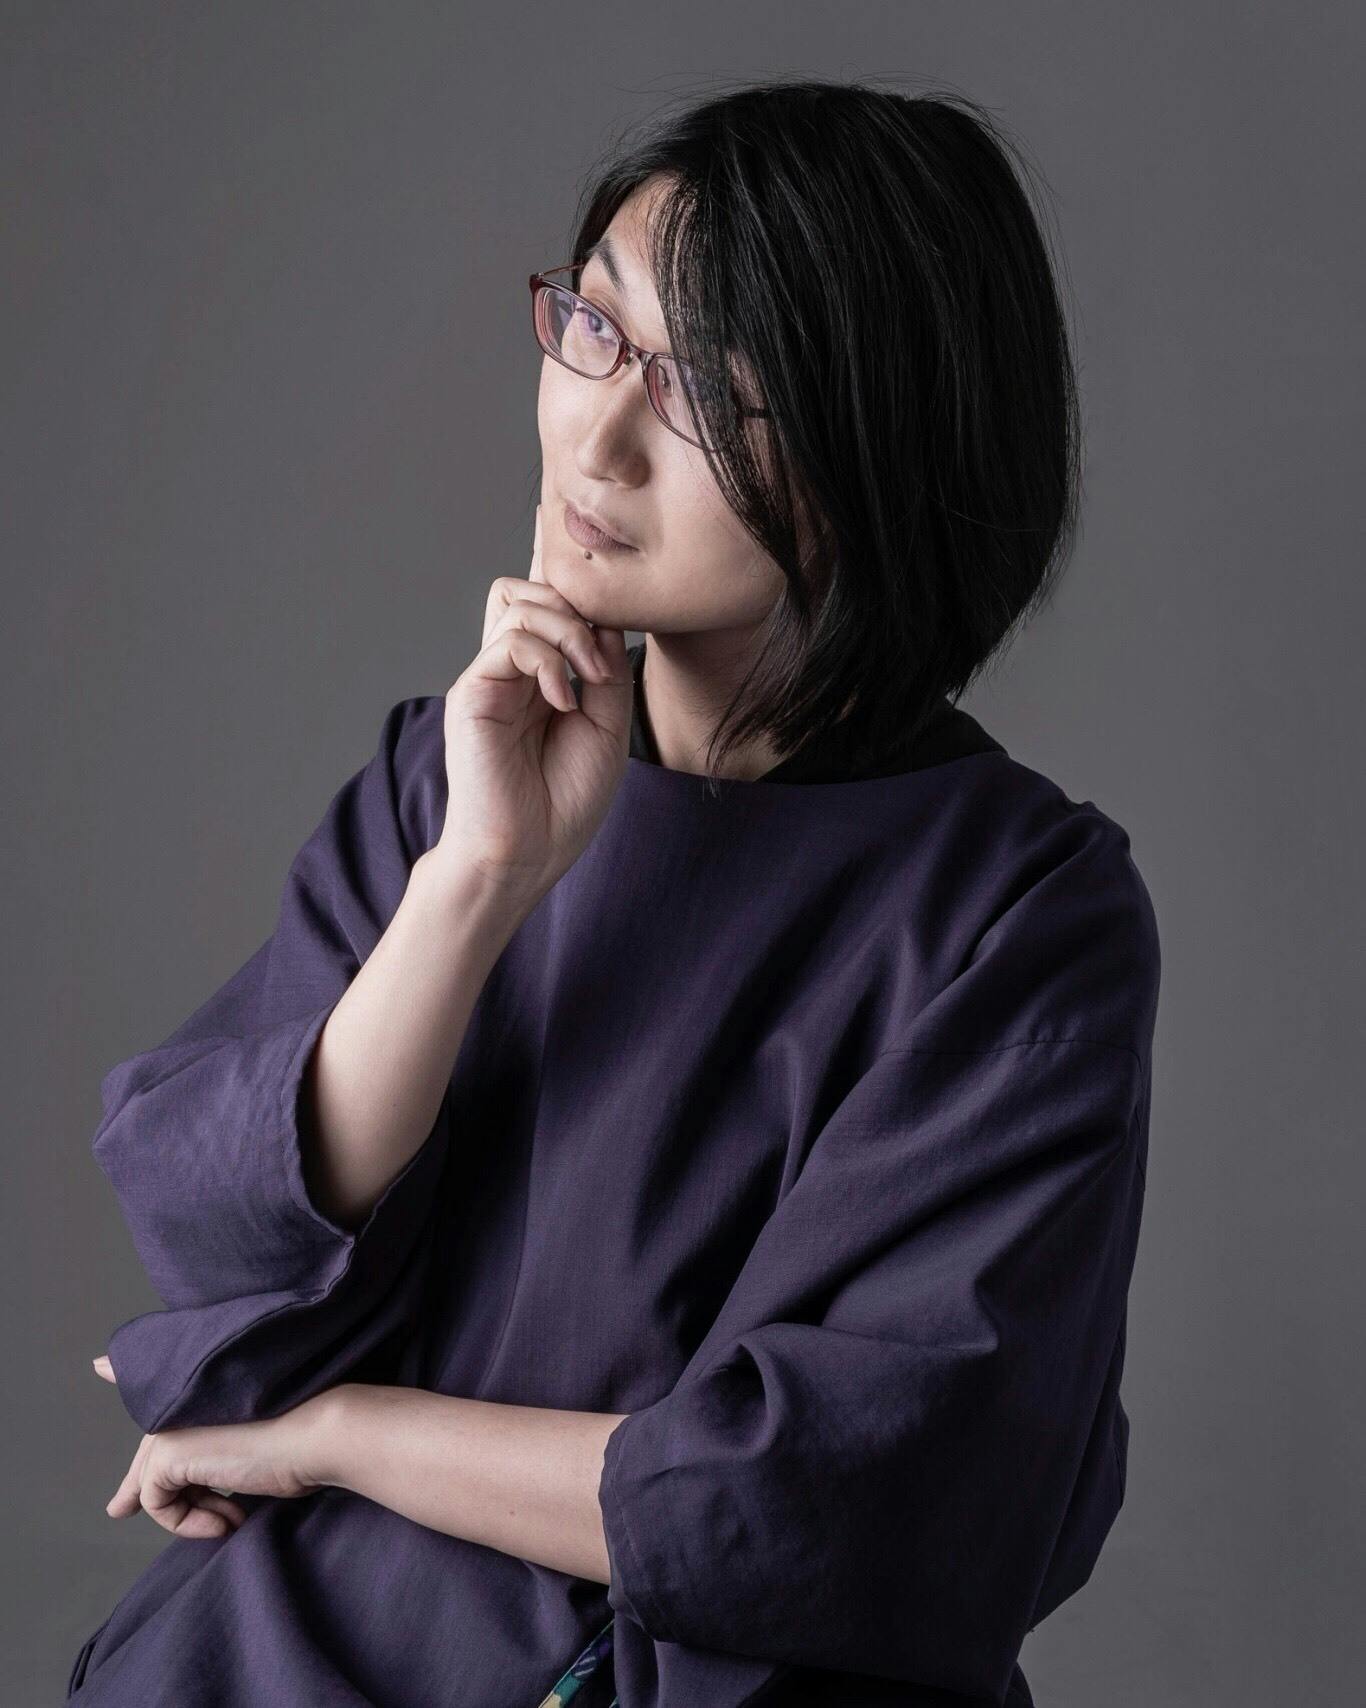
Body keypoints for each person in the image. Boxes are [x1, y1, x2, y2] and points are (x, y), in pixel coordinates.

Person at [71, 79, 1160, 1708]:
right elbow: (233, 1246)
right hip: (272, 1652)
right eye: (593, 325)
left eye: (711, 394)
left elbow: (854, 1494)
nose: (598, 433)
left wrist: (346, 1434)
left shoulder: (1014, 913)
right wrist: (478, 879)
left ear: (881, 449)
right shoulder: (452, 777)